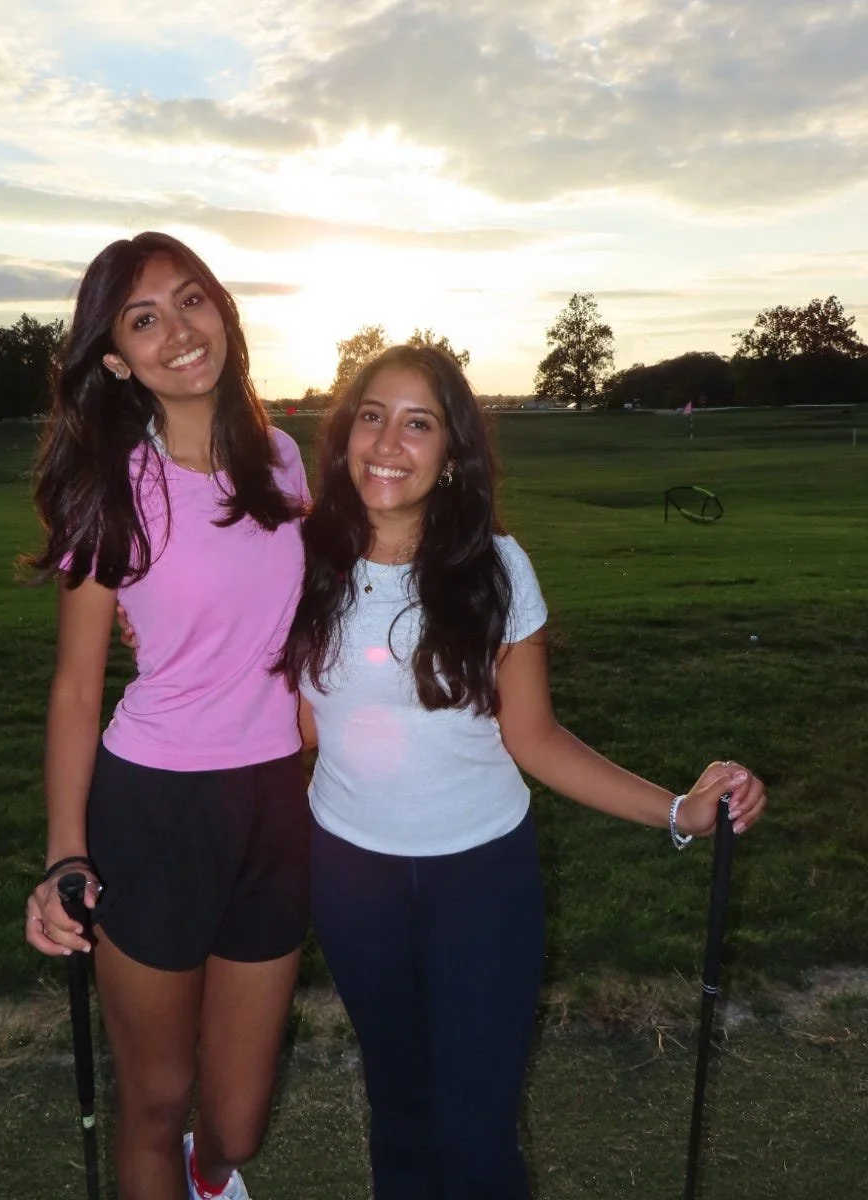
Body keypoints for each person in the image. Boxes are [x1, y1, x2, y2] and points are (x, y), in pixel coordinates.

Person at [277, 344, 766, 1200]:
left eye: (418, 422)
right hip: (350, 876)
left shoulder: (497, 570)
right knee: (398, 1111)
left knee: (474, 1135)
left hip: (481, 881)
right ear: (344, 434)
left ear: (454, 453)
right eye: (371, 415)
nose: (389, 440)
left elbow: (534, 740)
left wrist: (679, 812)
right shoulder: (300, 564)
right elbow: (305, 726)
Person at [24, 232, 310, 1200]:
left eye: (192, 301)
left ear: (223, 311)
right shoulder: (109, 492)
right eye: (144, 319)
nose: (178, 331)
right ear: (115, 358)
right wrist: (68, 854)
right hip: (154, 812)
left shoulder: (282, 460)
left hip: (279, 807)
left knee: (237, 1121)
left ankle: (210, 1175)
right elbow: (75, 686)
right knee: (155, 1100)